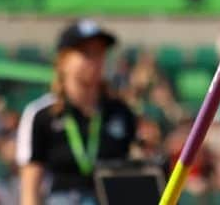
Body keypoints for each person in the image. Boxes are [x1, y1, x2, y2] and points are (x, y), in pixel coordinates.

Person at [16, 20, 137, 205]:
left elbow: (134, 169)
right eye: (86, 53)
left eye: (100, 53)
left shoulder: (120, 111)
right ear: (63, 60)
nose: (95, 61)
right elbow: (30, 184)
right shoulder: (42, 114)